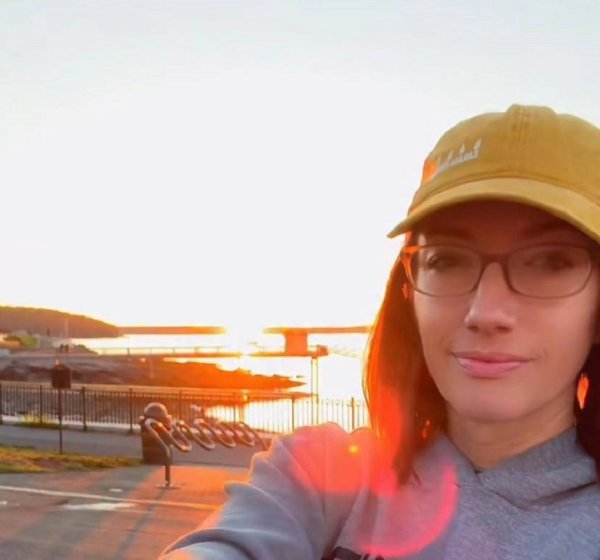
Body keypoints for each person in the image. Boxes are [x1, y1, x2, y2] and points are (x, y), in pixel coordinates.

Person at [160, 104, 600, 559]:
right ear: (410, 293)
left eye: (551, 262)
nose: (485, 312)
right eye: (447, 260)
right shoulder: (325, 473)